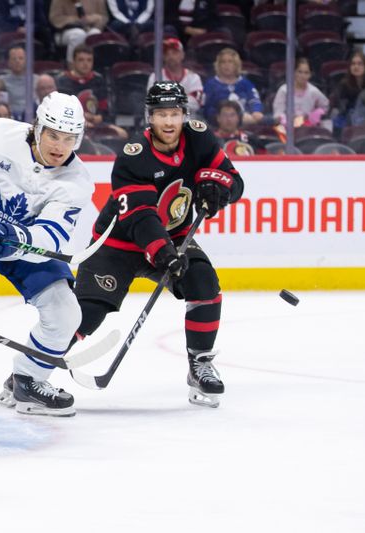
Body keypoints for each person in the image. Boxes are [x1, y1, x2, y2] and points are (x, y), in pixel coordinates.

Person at [72, 81, 244, 408]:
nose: (168, 121)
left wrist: (219, 189)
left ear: (184, 115)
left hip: (173, 238)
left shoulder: (200, 138)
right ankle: (26, 377)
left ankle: (200, 364)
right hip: (117, 246)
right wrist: (162, 253)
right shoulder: (132, 157)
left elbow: (234, 180)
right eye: (161, 114)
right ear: (149, 117)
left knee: (203, 282)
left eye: (175, 113)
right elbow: (140, 218)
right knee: (87, 314)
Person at [0, 92, 93, 417]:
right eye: (53, 134)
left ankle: (27, 380)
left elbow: (50, 236)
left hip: (22, 250)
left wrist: (19, 238)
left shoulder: (76, 182)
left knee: (65, 314)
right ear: (37, 127)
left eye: (70, 138)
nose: (60, 146)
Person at [203, 48, 264, 126]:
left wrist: (256, 111)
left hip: (247, 120)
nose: (226, 65)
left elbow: (254, 100)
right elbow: (207, 109)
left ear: (236, 64)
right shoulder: (211, 84)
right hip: (219, 123)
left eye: (230, 62)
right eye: (223, 62)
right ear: (218, 65)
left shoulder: (245, 83)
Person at [146, 38, 204, 118]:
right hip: (163, 124)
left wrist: (166, 98)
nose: (171, 56)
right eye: (167, 54)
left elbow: (195, 103)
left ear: (182, 55)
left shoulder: (193, 77)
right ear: (164, 57)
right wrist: (182, 97)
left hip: (187, 125)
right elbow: (153, 103)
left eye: (174, 53)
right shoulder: (155, 77)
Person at [272, 58, 330, 129]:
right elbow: (278, 114)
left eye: (306, 73)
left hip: (308, 128)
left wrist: (315, 115)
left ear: (310, 75)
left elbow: (326, 106)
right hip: (286, 128)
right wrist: (285, 121)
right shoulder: (284, 90)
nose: (303, 76)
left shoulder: (314, 91)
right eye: (300, 72)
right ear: (294, 72)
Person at [330, 50, 365, 133]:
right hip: (349, 126)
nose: (356, 67)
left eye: (360, 64)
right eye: (353, 64)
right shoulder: (343, 85)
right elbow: (339, 109)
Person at [56, 45, 109, 118]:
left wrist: (97, 118)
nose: (85, 64)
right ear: (73, 62)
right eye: (81, 60)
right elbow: (59, 110)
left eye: (89, 60)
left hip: (95, 126)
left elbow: (104, 109)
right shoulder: (62, 81)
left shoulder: (98, 80)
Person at [0, 45, 40, 120]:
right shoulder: (1, 81)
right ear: (8, 62)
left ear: (26, 61)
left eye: (21, 58)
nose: (17, 61)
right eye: (14, 59)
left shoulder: (37, 80)